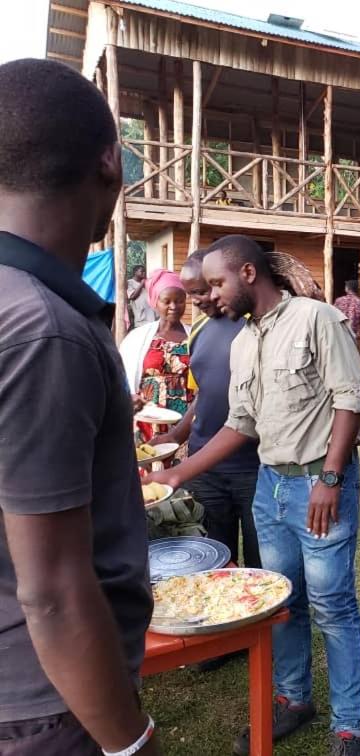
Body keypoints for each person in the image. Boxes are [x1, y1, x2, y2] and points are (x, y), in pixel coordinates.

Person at [147, 235, 360, 756]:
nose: (212, 294)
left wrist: (331, 478)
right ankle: (294, 699)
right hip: (270, 488)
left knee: (333, 605)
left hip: (320, 483)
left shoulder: (317, 319)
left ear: (248, 274)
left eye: (219, 282)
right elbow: (239, 423)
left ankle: (351, 727)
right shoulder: (244, 341)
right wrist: (177, 474)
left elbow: (350, 399)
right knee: (282, 602)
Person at [0, 58, 158, 756]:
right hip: (46, 707)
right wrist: (128, 743)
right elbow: (55, 592)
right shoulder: (43, 330)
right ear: (109, 167)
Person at [151, 250, 261, 570]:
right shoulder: (198, 331)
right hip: (205, 470)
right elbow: (203, 394)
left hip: (252, 468)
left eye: (202, 290)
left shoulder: (255, 327)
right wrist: (175, 435)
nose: (198, 300)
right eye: (193, 293)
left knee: (260, 563)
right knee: (212, 561)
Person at [119, 268, 193, 430]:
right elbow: (121, 376)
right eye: (166, 301)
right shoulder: (137, 339)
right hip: (147, 417)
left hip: (185, 420)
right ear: (155, 303)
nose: (173, 306)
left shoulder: (195, 336)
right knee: (150, 454)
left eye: (179, 300)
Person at [334, 279, 360, 354]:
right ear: (358, 289)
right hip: (355, 335)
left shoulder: (338, 301)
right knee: (356, 359)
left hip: (341, 334)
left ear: (346, 289)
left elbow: (333, 316)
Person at [127, 264, 156, 328]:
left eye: (145, 271)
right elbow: (132, 297)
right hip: (140, 315)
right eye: (142, 271)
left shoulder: (147, 282)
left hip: (150, 313)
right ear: (135, 272)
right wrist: (141, 284)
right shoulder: (130, 282)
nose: (144, 273)